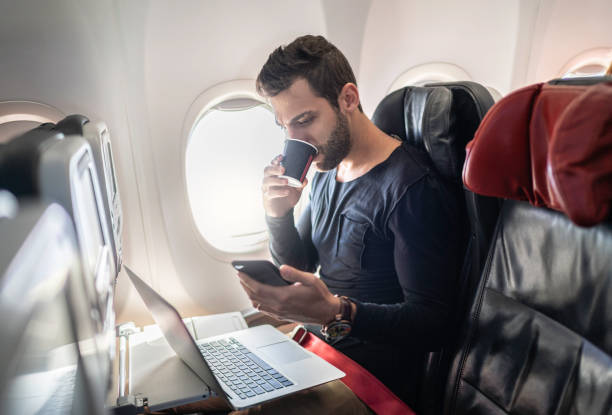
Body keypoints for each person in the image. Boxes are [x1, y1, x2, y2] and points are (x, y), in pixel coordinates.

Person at [236, 34, 466, 410]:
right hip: (318, 353)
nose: (296, 141)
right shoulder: (329, 169)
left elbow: (433, 324)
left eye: (305, 120)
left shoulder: (411, 190)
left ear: (347, 99)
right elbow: (299, 266)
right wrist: (278, 215)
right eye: (285, 127)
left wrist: (335, 312)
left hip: (369, 383)